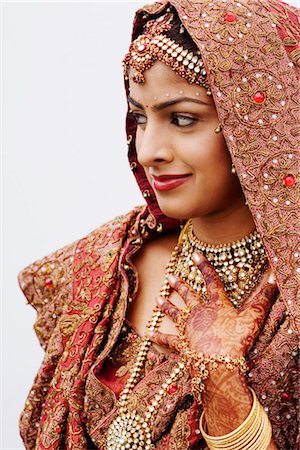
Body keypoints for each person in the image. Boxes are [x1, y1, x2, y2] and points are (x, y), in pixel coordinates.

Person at [18, 0, 299, 449]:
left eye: (182, 119)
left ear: (256, 124)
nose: (149, 150)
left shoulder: (290, 300)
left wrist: (223, 386)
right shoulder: (107, 264)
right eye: (140, 118)